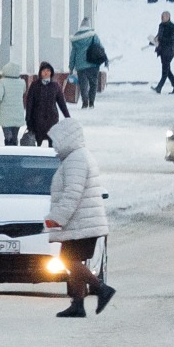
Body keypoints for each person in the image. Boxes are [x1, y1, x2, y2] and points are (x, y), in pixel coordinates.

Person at [44, 118, 115, 318]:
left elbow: (72, 194)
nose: (54, 146)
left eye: (56, 141)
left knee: (69, 259)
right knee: (72, 260)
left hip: (82, 223)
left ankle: (101, 289)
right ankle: (77, 304)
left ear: (66, 139)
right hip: (81, 223)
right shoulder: (76, 157)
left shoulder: (77, 159)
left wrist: (57, 218)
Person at [24, 62, 69, 146]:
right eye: (44, 70)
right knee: (37, 142)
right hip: (37, 119)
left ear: (51, 72)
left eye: (48, 70)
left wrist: (68, 117)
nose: (46, 72)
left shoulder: (55, 86)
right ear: (40, 72)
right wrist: (28, 119)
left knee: (52, 142)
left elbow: (61, 103)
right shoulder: (35, 85)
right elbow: (29, 103)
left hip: (52, 119)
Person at [69, 18, 106, 109]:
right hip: (93, 64)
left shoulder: (76, 39)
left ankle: (85, 102)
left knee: (83, 85)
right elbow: (100, 48)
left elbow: (73, 53)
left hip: (80, 65)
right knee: (93, 84)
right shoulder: (93, 36)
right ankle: (92, 102)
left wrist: (71, 66)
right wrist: (104, 59)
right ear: (89, 25)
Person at [0, 62, 27, 146]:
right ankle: (15, 150)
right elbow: (23, 92)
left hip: (5, 114)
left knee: (8, 136)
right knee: (15, 136)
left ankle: (8, 150)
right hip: (18, 113)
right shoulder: (22, 82)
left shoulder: (2, 82)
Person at [151, 12, 174, 94]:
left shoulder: (173, 27)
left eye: (164, 17)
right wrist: (154, 40)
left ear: (168, 17)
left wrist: (160, 40)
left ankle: (159, 87)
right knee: (167, 70)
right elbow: (159, 35)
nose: (162, 18)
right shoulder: (161, 26)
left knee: (165, 70)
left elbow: (172, 40)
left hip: (169, 51)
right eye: (162, 16)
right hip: (162, 50)